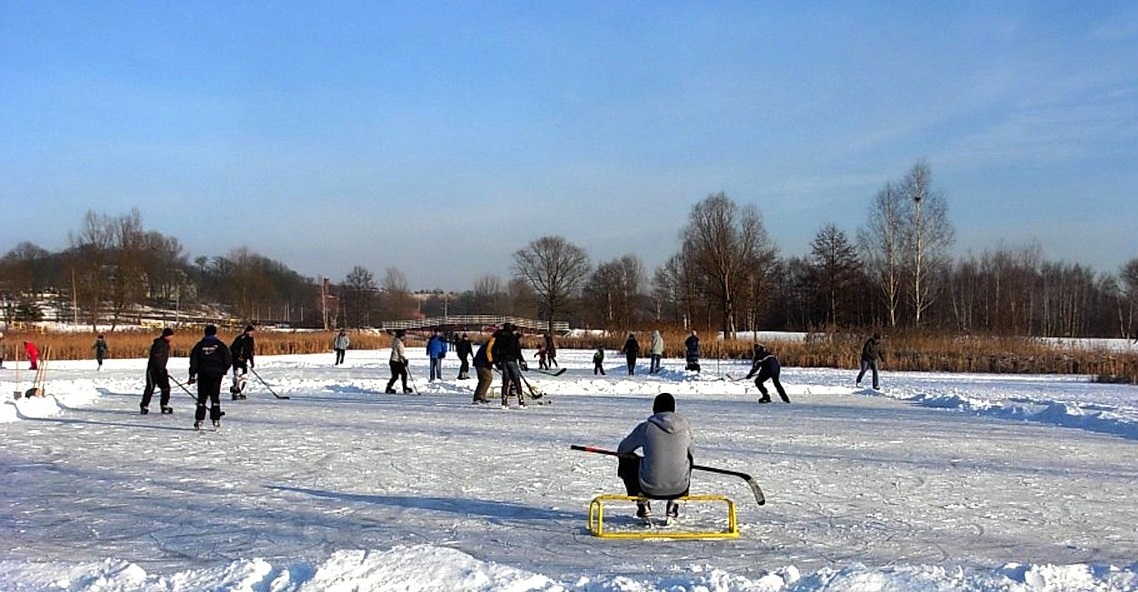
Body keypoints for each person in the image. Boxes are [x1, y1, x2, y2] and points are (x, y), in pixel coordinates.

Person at [616, 392, 693, 520]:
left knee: (626, 458)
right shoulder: (686, 428)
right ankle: (675, 501)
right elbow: (691, 452)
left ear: (654, 408)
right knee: (688, 458)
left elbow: (623, 449)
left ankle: (642, 502)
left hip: (648, 486)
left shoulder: (646, 427)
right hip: (680, 487)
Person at [188, 324, 232, 430]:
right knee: (215, 397)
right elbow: (228, 360)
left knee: (202, 398)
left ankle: (199, 420)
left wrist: (192, 375)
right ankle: (216, 419)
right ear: (215, 333)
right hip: (216, 374)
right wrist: (224, 369)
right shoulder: (220, 345)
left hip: (203, 374)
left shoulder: (199, 345)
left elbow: (193, 361)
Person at [490, 323, 526, 408]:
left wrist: (496, 361)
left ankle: (504, 401)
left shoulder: (499, 337)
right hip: (512, 361)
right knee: (516, 380)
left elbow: (494, 350)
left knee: (506, 381)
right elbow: (518, 351)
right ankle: (521, 401)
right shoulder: (513, 338)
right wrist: (522, 361)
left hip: (503, 361)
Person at [140, 328, 174, 415]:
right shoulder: (158, 344)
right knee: (150, 388)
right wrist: (158, 368)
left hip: (161, 370)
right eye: (170, 336)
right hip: (153, 370)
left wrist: (162, 369)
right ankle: (144, 405)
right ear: (165, 335)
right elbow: (156, 358)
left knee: (166, 388)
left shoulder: (166, 345)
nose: (171, 338)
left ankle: (164, 405)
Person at [229, 324, 255, 399]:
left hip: (244, 361)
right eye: (251, 332)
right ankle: (235, 393)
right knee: (238, 376)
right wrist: (239, 355)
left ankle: (239, 391)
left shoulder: (251, 339)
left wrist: (252, 361)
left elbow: (251, 351)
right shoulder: (241, 338)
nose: (252, 333)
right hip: (237, 360)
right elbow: (233, 348)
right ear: (247, 332)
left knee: (244, 377)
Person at [385, 329, 413, 394]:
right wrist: (405, 360)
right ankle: (404, 388)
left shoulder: (395, 340)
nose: (404, 337)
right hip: (396, 361)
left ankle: (389, 387)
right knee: (400, 375)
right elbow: (400, 354)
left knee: (398, 375)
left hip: (394, 361)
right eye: (404, 335)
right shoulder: (399, 343)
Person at [471, 339, 493, 404]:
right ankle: (479, 397)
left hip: (481, 363)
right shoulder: (491, 344)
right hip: (481, 364)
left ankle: (480, 396)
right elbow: (488, 354)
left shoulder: (489, 344)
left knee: (483, 380)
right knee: (487, 378)